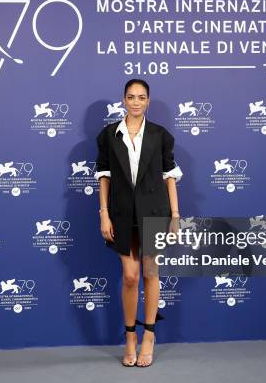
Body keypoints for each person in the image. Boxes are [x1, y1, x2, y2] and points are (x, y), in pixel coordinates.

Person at [95, 79, 182, 367]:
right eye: (130, 96)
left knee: (150, 274)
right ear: (123, 99)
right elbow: (104, 177)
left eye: (141, 97)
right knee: (130, 276)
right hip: (121, 214)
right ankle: (130, 337)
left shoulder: (160, 135)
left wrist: (175, 216)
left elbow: (169, 176)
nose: (135, 102)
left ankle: (149, 336)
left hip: (154, 212)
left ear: (148, 101)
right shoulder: (109, 135)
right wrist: (104, 213)